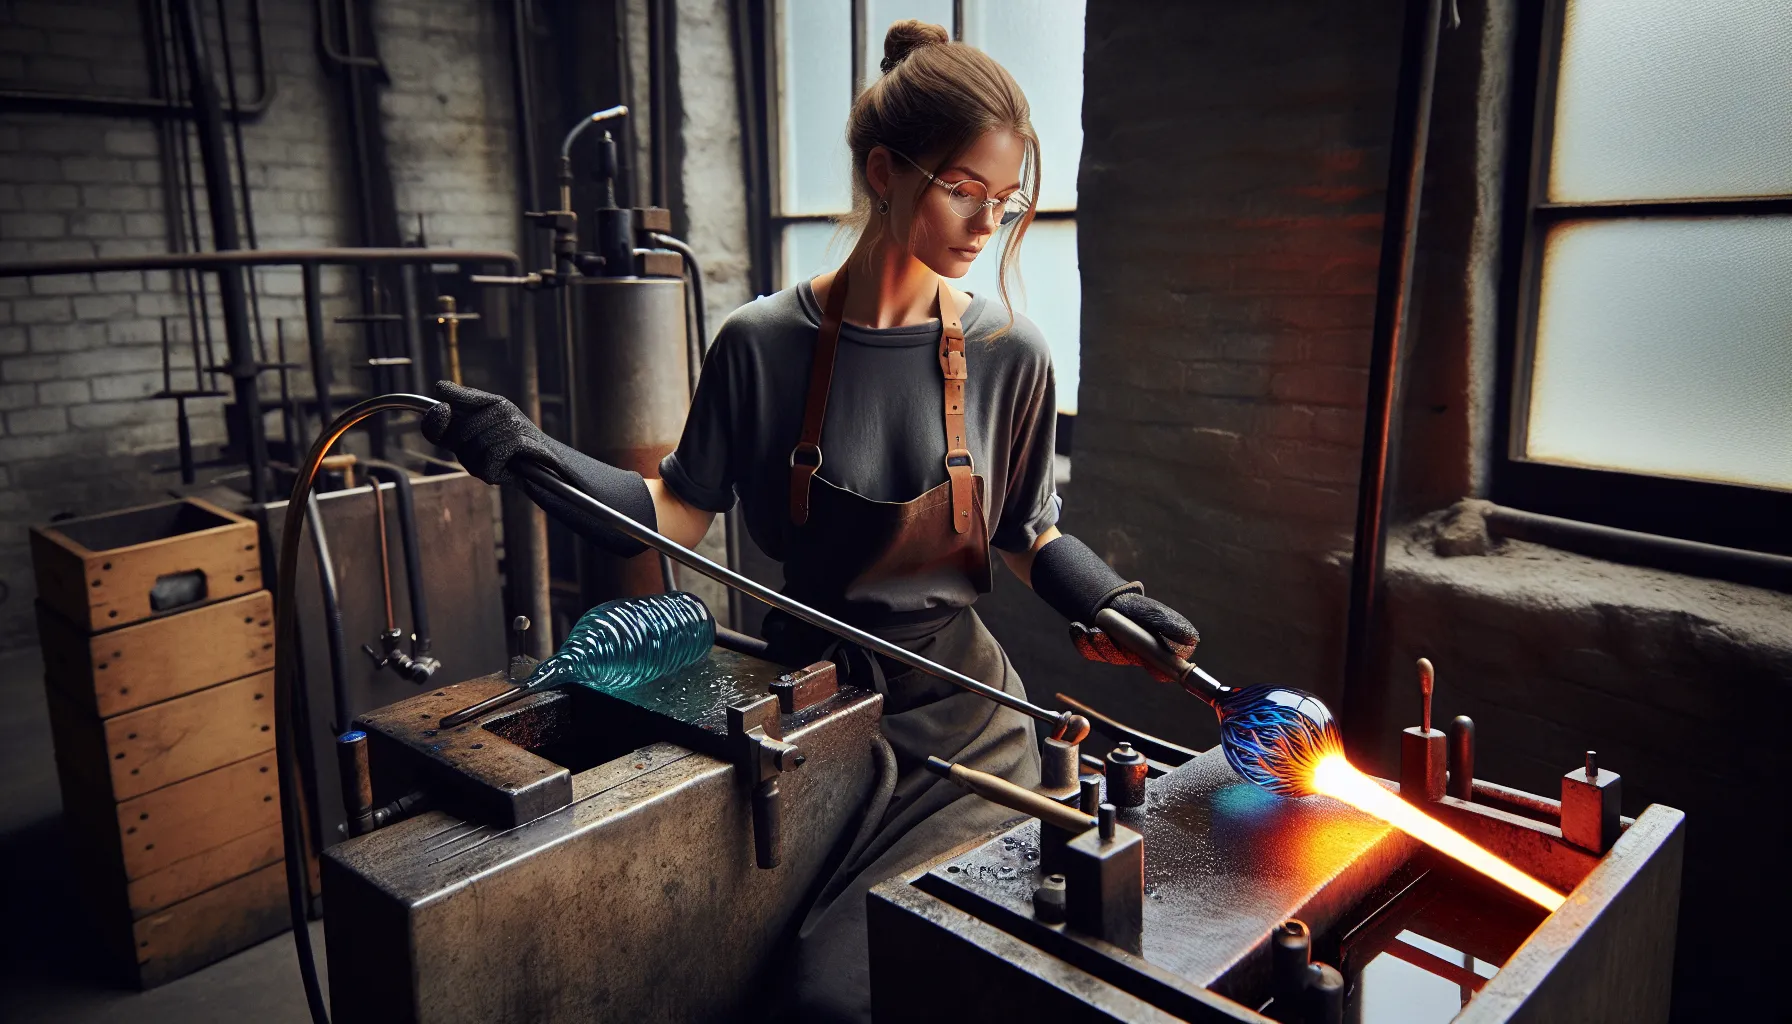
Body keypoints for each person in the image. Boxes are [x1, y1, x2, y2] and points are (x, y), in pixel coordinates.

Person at [422, 19, 1201, 1022]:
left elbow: (1023, 533)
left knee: (864, 986)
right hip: (808, 713)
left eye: (1002, 203)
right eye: (964, 188)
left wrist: (1108, 596)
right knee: (748, 979)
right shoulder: (759, 345)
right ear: (885, 171)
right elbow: (669, 517)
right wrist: (529, 452)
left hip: (963, 718)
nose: (984, 223)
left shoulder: (1013, 352)